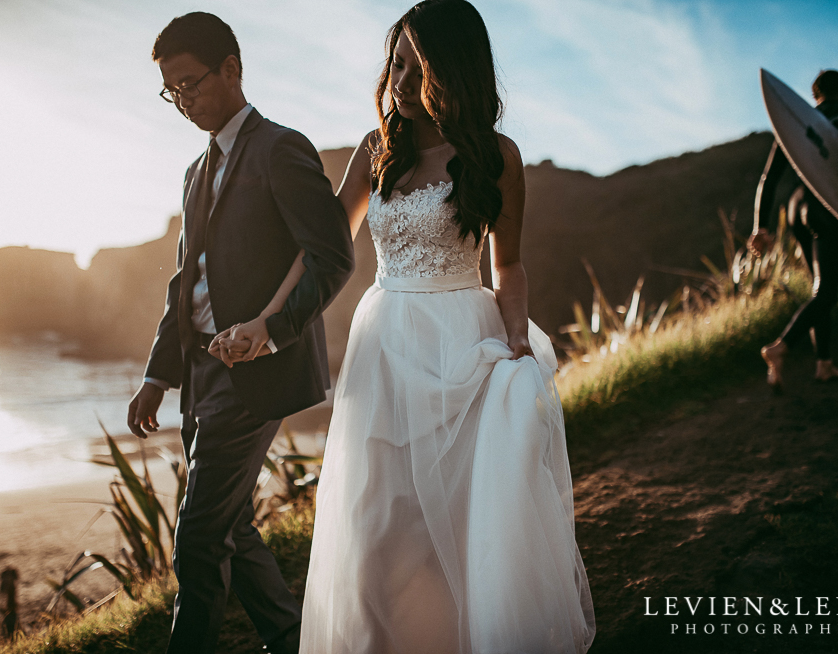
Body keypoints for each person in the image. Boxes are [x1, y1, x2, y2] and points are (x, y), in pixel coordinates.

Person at [249, 1, 594, 651]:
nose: (401, 83)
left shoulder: (496, 157)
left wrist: (518, 341)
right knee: (376, 527)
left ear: (456, 75)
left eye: (419, 69)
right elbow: (321, 250)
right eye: (396, 63)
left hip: (463, 345)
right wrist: (268, 321)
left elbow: (509, 263)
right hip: (382, 350)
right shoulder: (376, 150)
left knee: (454, 533)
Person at [125, 12, 354, 654]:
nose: (182, 101)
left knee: (197, 540)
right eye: (171, 91)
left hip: (254, 375)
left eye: (190, 84)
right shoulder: (195, 174)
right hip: (199, 377)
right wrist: (156, 375)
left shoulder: (282, 147)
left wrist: (272, 332)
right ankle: (287, 636)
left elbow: (332, 255)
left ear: (232, 69)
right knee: (233, 528)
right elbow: (185, 285)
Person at [748, 69, 838, 389]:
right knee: (827, 293)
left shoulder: (794, 121)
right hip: (825, 207)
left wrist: (761, 226)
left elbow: (769, 177)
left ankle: (824, 364)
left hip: (797, 207)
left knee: (818, 290)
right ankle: (780, 348)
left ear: (814, 96)